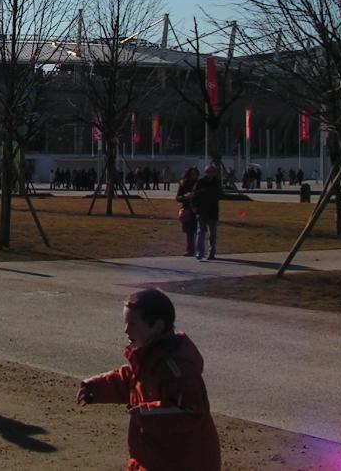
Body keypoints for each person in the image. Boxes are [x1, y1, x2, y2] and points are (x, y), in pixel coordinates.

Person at [77, 289, 220, 471]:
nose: (126, 330)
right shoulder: (149, 357)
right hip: (153, 456)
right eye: (126, 323)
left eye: (133, 324)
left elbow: (190, 411)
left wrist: (144, 414)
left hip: (181, 461)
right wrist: (95, 387)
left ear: (157, 327)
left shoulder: (175, 367)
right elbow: (130, 380)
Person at [190, 162, 222, 261]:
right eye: (208, 172)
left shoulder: (217, 182)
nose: (210, 173)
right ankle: (199, 252)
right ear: (205, 172)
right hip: (202, 211)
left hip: (212, 211)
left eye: (212, 172)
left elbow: (219, 195)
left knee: (212, 234)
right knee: (201, 233)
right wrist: (194, 207)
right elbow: (193, 195)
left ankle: (211, 252)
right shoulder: (201, 182)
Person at [174, 167, 199, 257]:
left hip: (197, 209)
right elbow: (177, 197)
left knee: (199, 230)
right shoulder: (183, 183)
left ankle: (199, 249)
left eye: (195, 174)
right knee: (189, 231)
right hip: (188, 210)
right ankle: (190, 250)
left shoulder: (199, 183)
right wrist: (185, 196)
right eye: (192, 174)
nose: (194, 176)